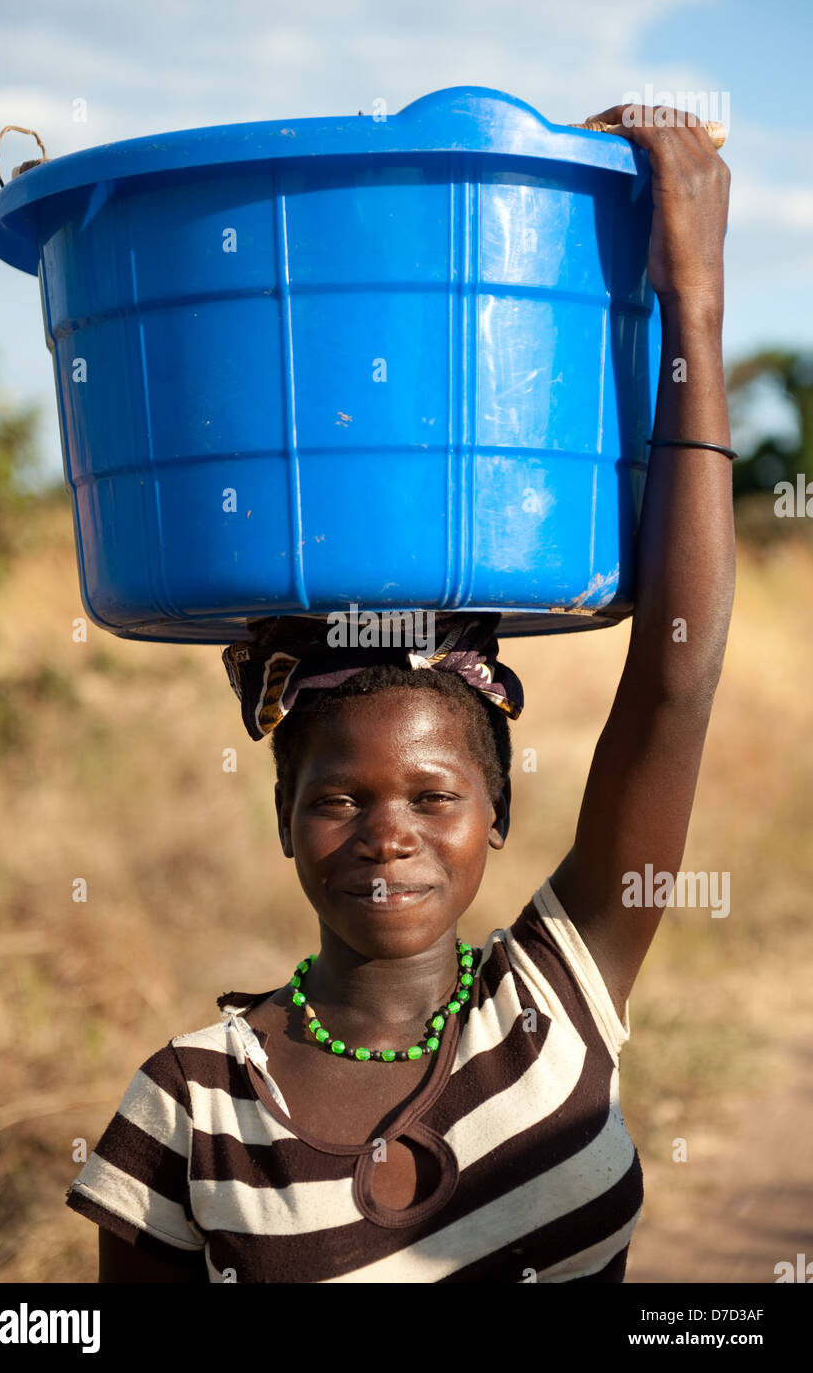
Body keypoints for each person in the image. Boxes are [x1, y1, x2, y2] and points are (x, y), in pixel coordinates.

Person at [66, 102, 734, 1282]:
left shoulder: (557, 997)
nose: (389, 835)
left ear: (499, 811)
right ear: (282, 816)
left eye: (434, 795)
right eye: (340, 798)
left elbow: (675, 681)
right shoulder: (194, 1101)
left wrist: (692, 298)